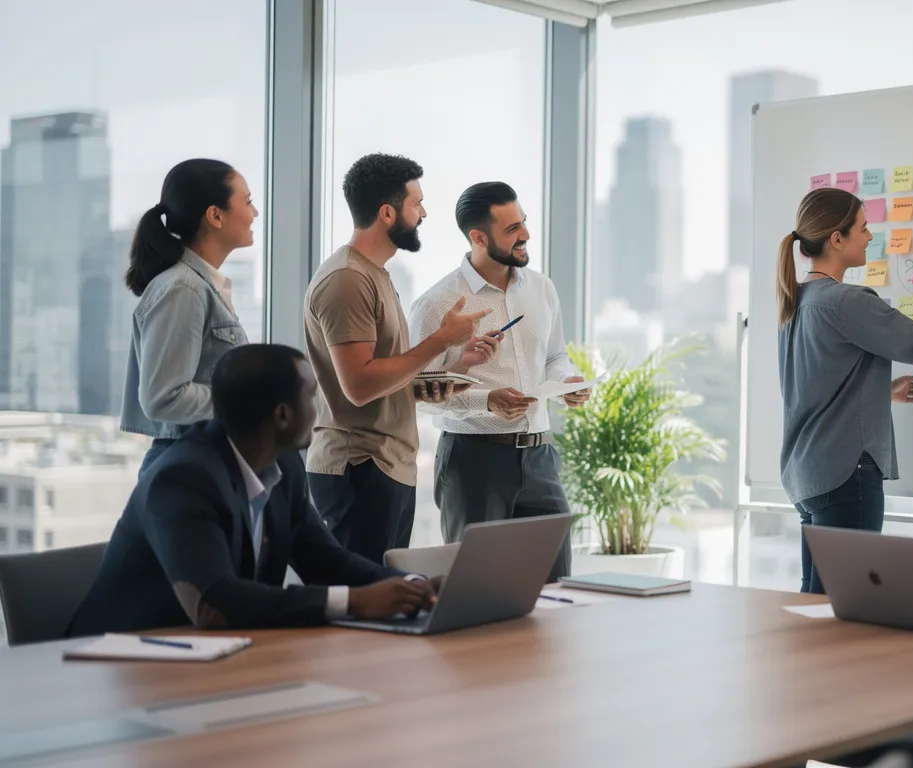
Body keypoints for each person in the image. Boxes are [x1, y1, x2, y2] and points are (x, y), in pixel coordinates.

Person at [68, 344, 440, 636]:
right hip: (120, 661)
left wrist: (413, 586)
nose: (318, 408)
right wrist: (353, 602)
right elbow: (215, 602)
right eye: (311, 396)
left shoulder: (284, 466)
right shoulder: (182, 479)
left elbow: (325, 560)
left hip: (217, 655)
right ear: (283, 415)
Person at [777, 187, 913, 594]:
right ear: (836, 239)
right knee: (846, 607)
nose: (870, 237)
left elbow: (816, 383)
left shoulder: (797, 300)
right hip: (845, 477)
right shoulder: (847, 301)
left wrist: (879, 389)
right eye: (862, 228)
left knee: (818, 607)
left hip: (807, 476)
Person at [304, 154, 495, 563]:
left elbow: (384, 377)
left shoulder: (374, 274)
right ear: (387, 213)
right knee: (363, 595)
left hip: (386, 467)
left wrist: (453, 369)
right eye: (416, 204)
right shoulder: (348, 279)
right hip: (359, 466)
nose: (424, 213)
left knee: (384, 590)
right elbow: (359, 386)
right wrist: (440, 339)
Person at [408, 181, 588, 584]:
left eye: (523, 222)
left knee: (557, 586)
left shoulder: (541, 288)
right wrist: (486, 400)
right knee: (478, 586)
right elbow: (421, 393)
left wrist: (567, 382)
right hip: (474, 461)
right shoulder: (437, 303)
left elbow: (555, 357)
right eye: (512, 229)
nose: (526, 234)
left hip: (541, 457)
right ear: (478, 238)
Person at [120, 159, 256, 476]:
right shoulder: (183, 288)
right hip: (188, 468)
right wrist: (247, 403)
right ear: (215, 215)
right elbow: (162, 398)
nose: (255, 213)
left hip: (200, 459)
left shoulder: (198, 286)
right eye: (247, 201)